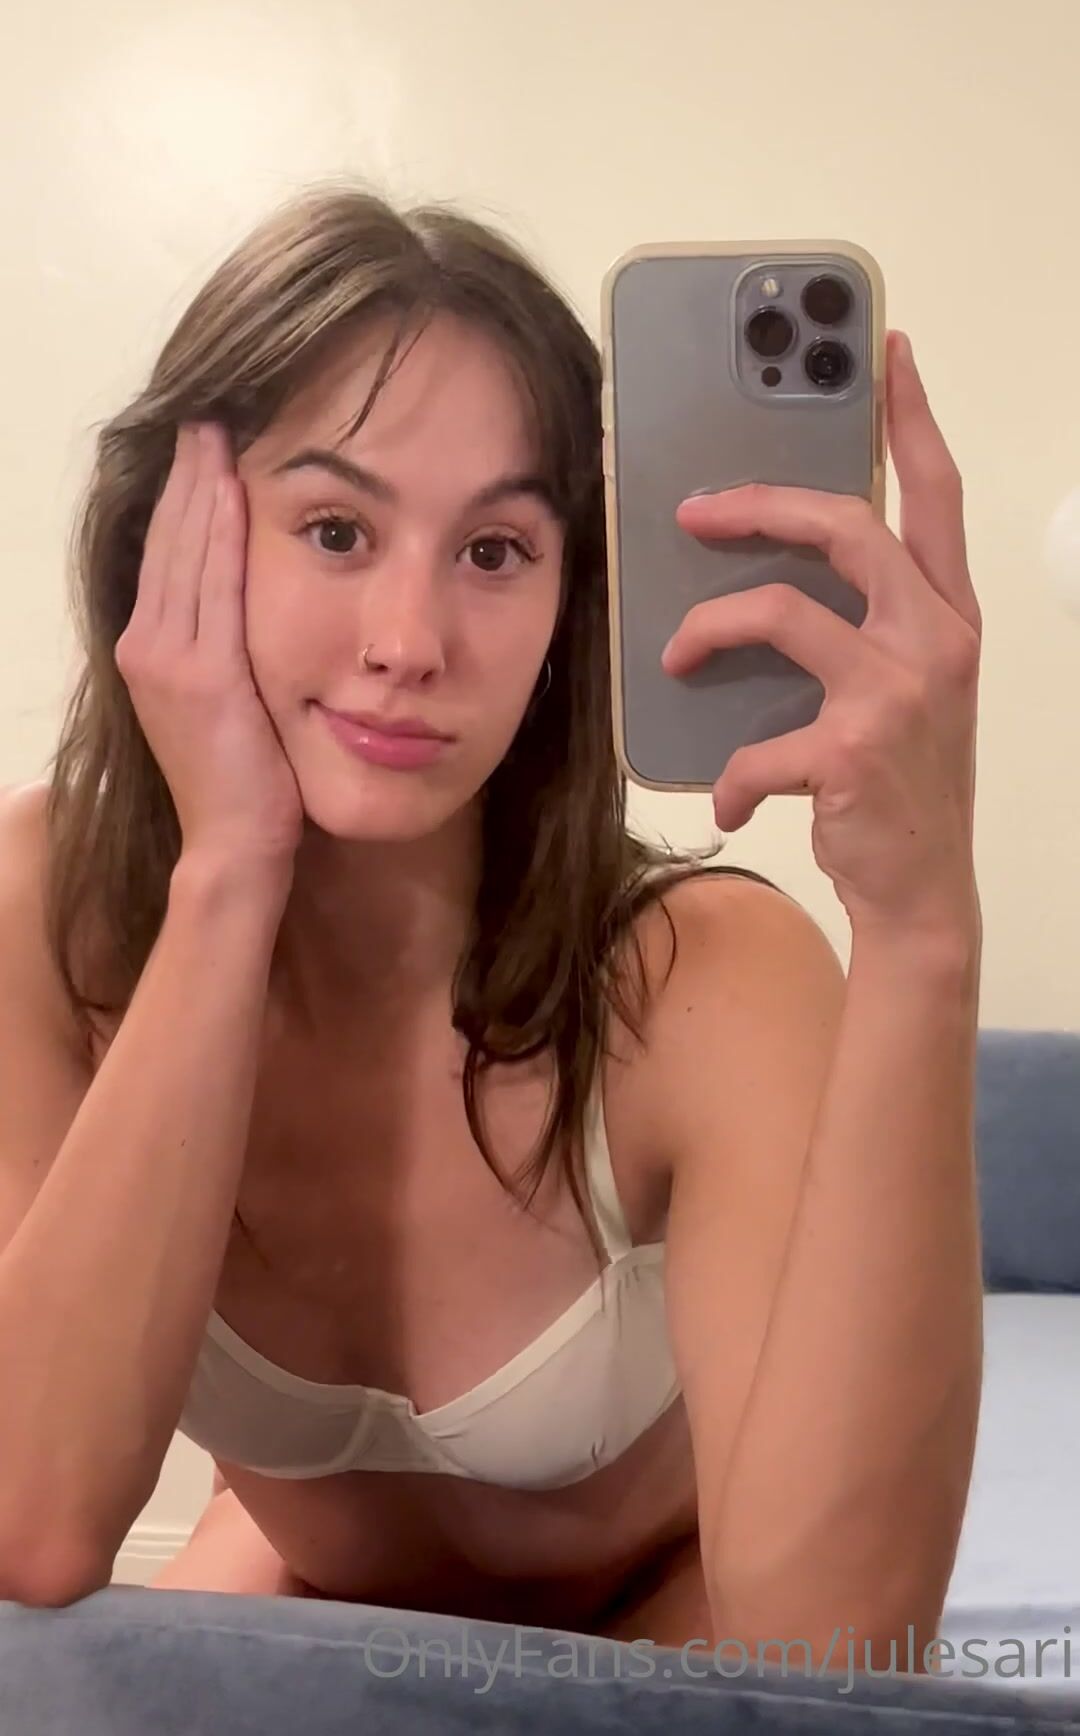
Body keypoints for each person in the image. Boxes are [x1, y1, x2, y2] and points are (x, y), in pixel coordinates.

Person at [0, 182, 985, 1678]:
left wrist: (921, 934)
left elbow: (835, 1647)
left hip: (665, 1637)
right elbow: (34, 1522)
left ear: (567, 598)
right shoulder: (46, 907)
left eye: (495, 551)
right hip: (324, 1607)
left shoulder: (705, 980)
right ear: (174, 539)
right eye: (337, 529)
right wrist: (229, 868)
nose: (409, 643)